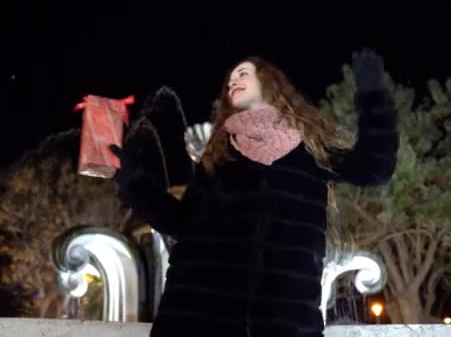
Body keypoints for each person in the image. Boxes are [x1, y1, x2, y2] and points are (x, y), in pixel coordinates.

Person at [110, 49, 399, 337]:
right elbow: (180, 222)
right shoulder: (219, 155)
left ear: (269, 83)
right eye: (229, 80)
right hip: (198, 316)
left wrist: (372, 94)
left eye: (243, 73)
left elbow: (374, 168)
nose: (232, 81)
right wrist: (133, 181)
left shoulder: (310, 150)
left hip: (282, 320)